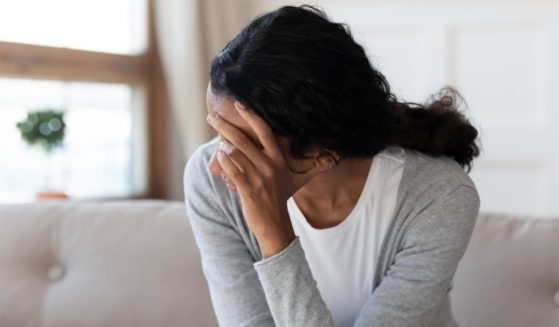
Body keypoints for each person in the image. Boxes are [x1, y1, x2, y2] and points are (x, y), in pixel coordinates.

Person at [184, 5, 480, 327]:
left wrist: (274, 233)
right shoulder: (208, 182)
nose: (218, 164)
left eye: (243, 143)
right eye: (220, 134)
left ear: (322, 155)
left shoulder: (441, 196)